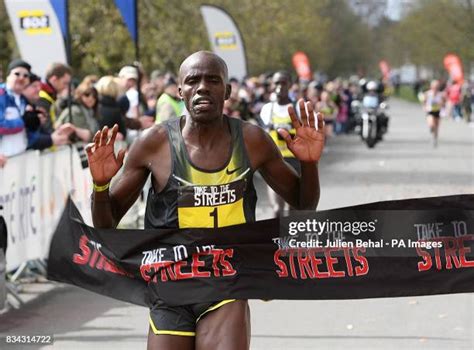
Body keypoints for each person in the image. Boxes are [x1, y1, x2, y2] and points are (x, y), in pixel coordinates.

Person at [85, 51, 325, 350]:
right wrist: (100, 185)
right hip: (170, 284)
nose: (202, 87)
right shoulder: (154, 142)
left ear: (227, 91)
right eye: (193, 80)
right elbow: (106, 225)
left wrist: (310, 164)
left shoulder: (252, 140)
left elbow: (304, 205)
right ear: (180, 91)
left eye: (213, 80)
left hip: (227, 282)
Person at [259, 71, 300, 216]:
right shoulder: (267, 109)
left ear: (290, 85)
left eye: (284, 83)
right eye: (277, 83)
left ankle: (292, 237)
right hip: (274, 161)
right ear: (272, 85)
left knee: (293, 210)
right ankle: (278, 238)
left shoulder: (298, 108)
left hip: (295, 161)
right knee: (277, 210)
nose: (280, 86)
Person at [37, 63, 72, 133]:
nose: (66, 87)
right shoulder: (41, 98)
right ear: (54, 80)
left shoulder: (50, 95)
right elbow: (48, 129)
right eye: (64, 83)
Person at [424, 80, 445, 147]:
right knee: (431, 124)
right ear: (431, 86)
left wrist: (441, 104)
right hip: (430, 110)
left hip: (438, 111)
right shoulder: (427, 93)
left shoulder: (441, 94)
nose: (435, 87)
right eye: (434, 86)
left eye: (436, 86)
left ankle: (435, 138)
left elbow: (443, 103)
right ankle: (431, 128)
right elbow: (424, 101)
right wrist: (424, 107)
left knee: (437, 126)